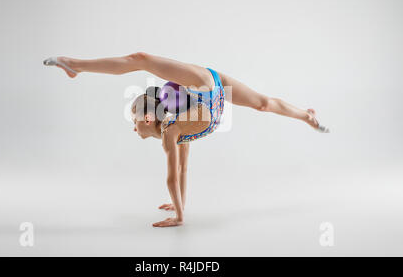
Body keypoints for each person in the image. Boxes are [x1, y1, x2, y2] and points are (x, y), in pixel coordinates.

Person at [43, 52, 329, 227]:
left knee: (140, 59)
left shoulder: (170, 131)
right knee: (263, 103)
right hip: (212, 89)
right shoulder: (176, 126)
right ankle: (307, 115)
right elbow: (182, 170)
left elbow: (171, 177)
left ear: (146, 119)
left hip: (204, 86)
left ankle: (74, 65)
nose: (133, 129)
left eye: (134, 123)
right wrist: (179, 202)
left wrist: (179, 216)